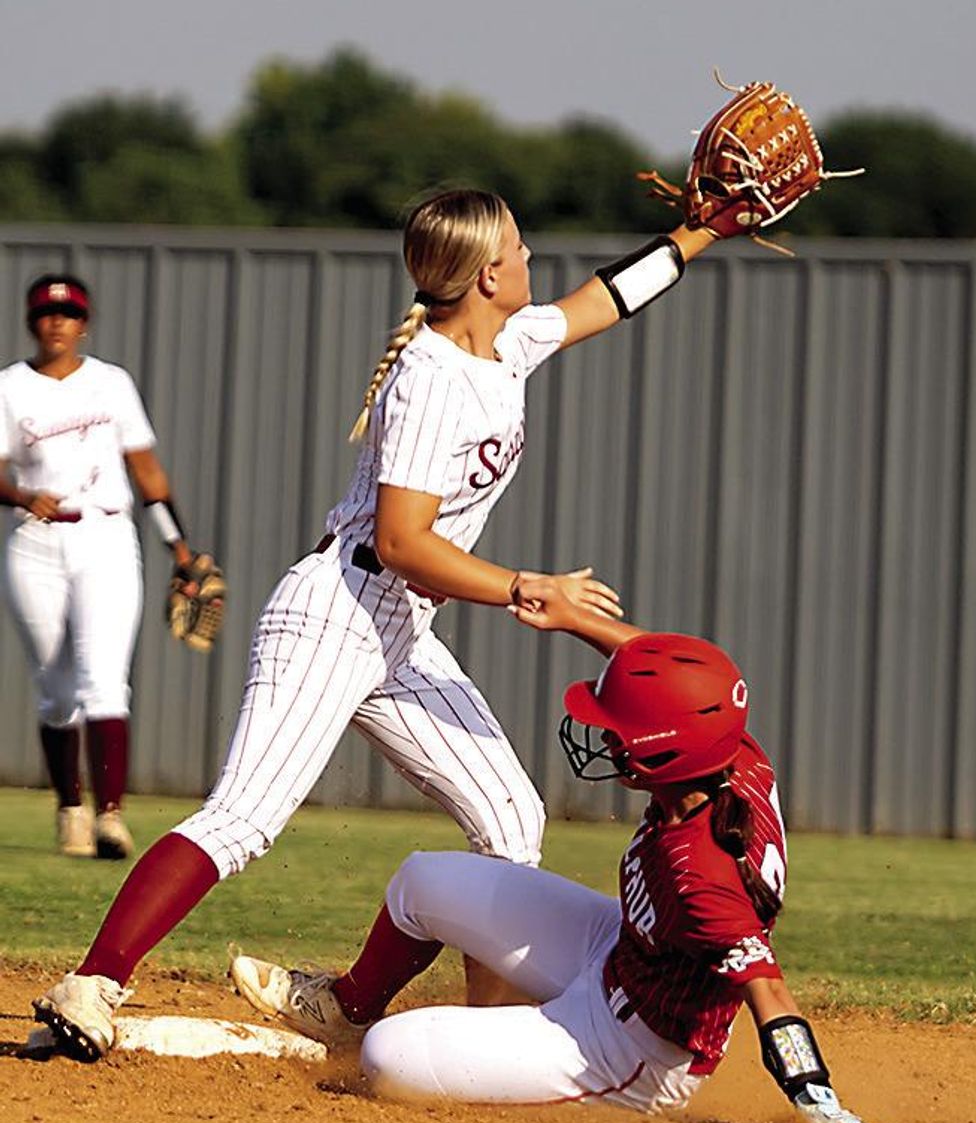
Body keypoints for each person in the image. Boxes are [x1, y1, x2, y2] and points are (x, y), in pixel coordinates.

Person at [31, 187, 725, 1060]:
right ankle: (92, 982)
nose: (528, 257)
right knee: (244, 819)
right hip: (335, 611)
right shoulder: (432, 381)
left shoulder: (507, 341)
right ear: (482, 275)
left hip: (399, 627)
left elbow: (606, 298)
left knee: (510, 821)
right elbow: (401, 541)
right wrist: (522, 587)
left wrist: (707, 229)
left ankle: (379, 1016)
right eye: (515, 247)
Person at [227, 582, 872, 1123]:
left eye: (618, 729)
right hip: (620, 951)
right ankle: (345, 1008)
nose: (604, 733)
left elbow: (769, 991)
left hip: (630, 1049)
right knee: (422, 880)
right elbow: (672, 677)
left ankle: (554, 1071)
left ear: (663, 754)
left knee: (389, 1057)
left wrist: (815, 1098)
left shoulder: (701, 873)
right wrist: (576, 618)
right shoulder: (732, 756)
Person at [1, 274, 203, 860]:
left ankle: (111, 816)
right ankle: (71, 809)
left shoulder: (110, 384)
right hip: (34, 543)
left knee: (105, 679)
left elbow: (146, 471)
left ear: (84, 322)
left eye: (68, 313)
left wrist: (179, 546)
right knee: (55, 689)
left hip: (106, 536)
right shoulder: (12, 387)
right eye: (45, 312)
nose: (57, 322)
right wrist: (18, 496)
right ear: (30, 321)